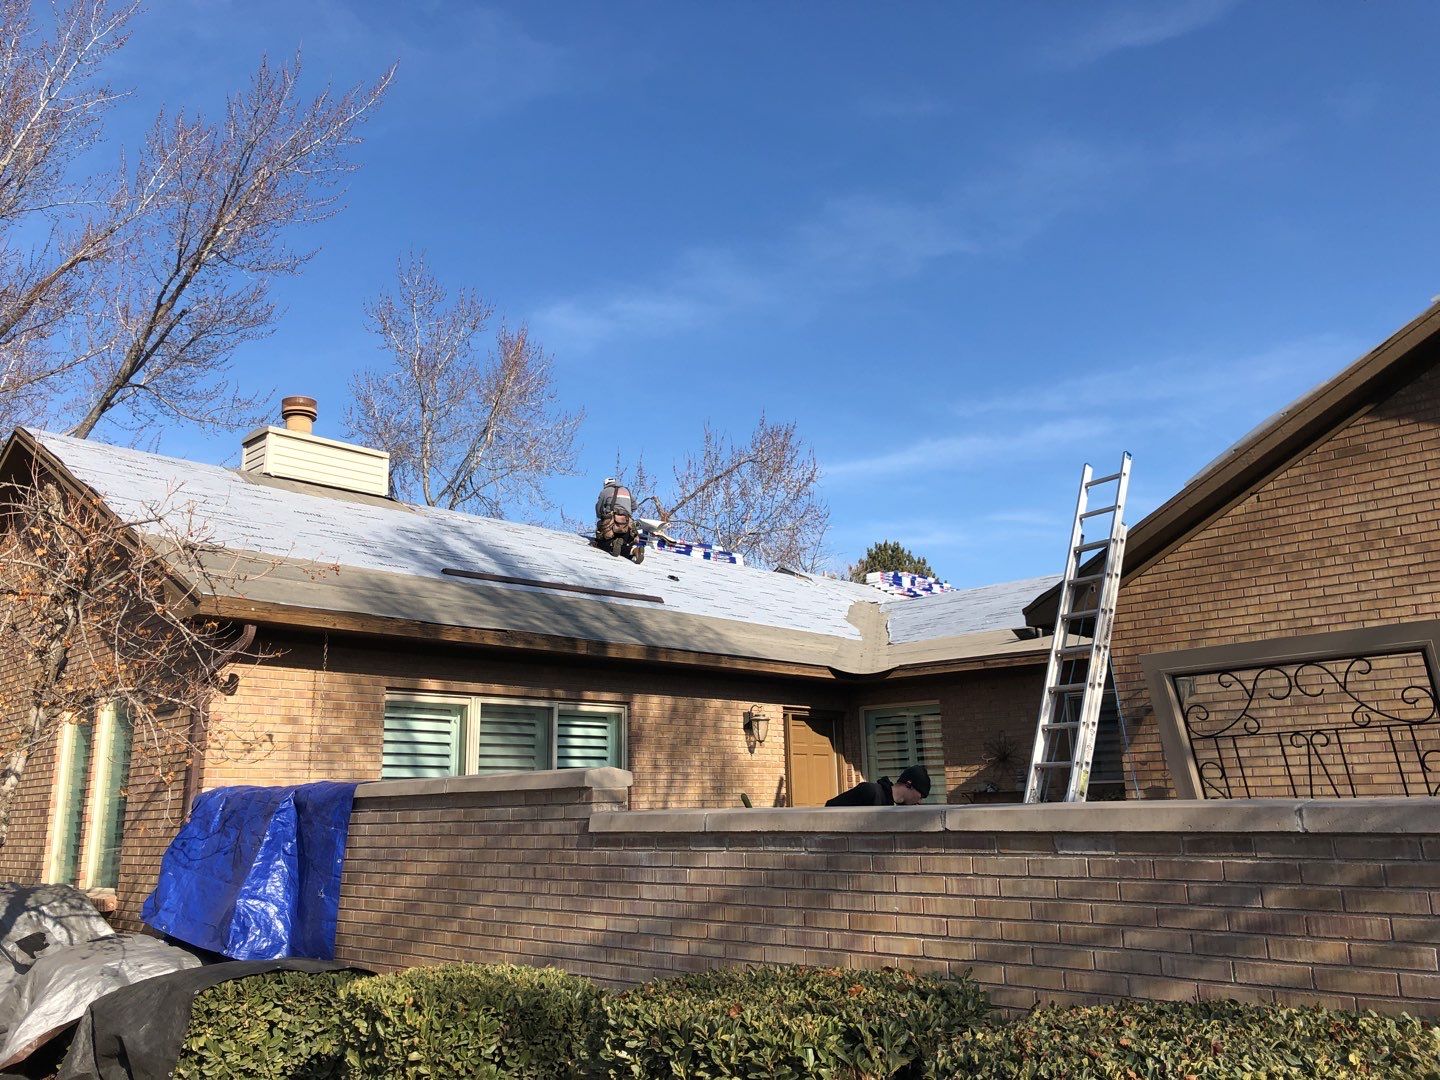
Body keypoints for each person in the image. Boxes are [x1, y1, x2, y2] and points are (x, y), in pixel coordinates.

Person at [825, 764, 931, 807]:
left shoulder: (901, 809)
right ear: (909, 784)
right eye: (921, 796)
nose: (919, 802)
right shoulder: (870, 791)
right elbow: (830, 807)